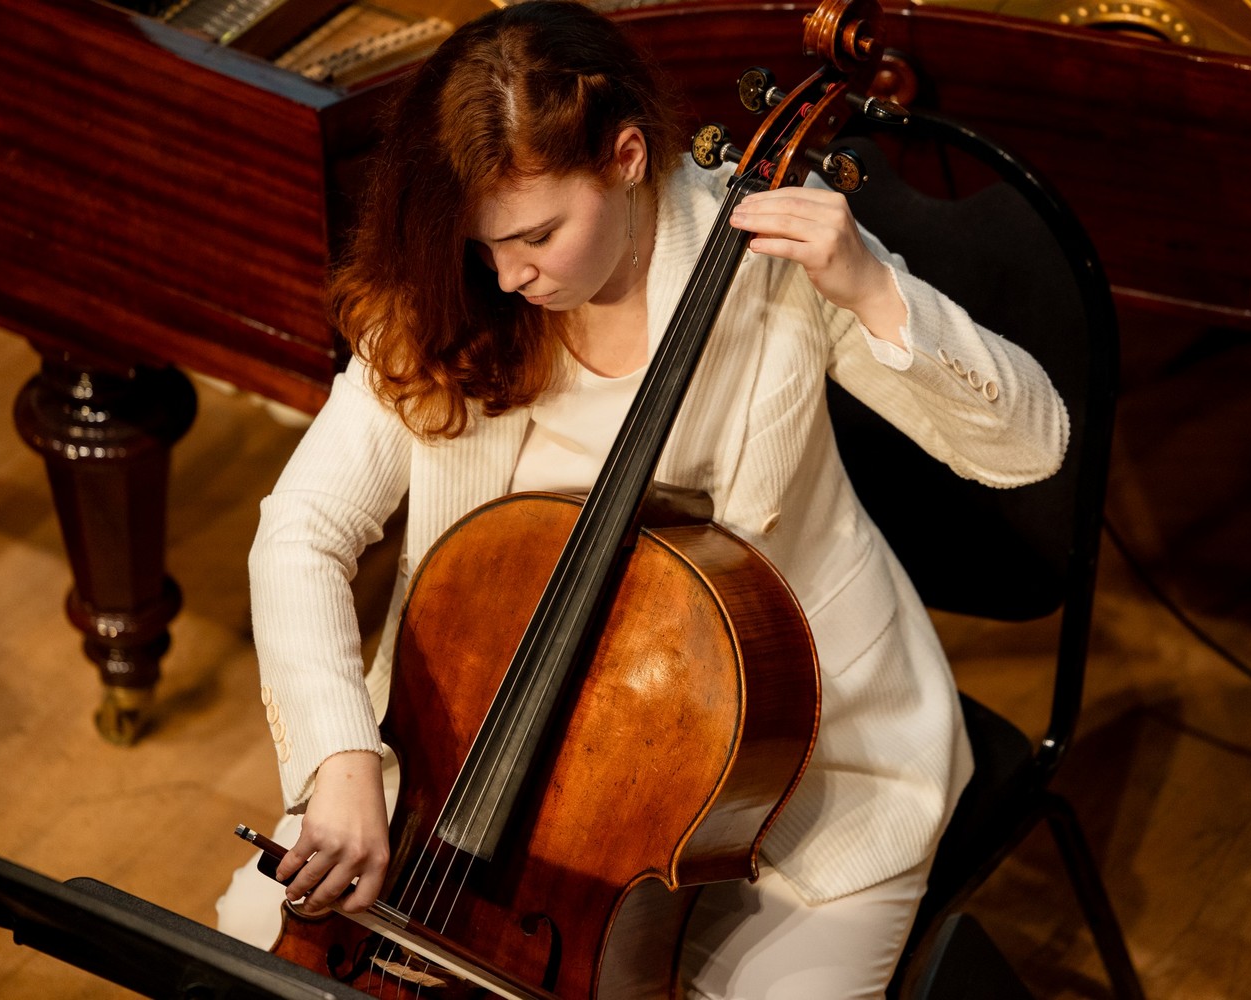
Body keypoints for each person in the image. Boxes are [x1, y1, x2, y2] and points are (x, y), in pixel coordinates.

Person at [216, 1, 1069, 996]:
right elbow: (302, 533)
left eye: (537, 235)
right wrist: (343, 765)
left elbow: (1031, 444)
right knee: (250, 950)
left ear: (625, 158)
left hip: (785, 763)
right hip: (470, 763)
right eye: (483, 245)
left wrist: (873, 289)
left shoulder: (762, 261)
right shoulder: (453, 291)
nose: (509, 275)